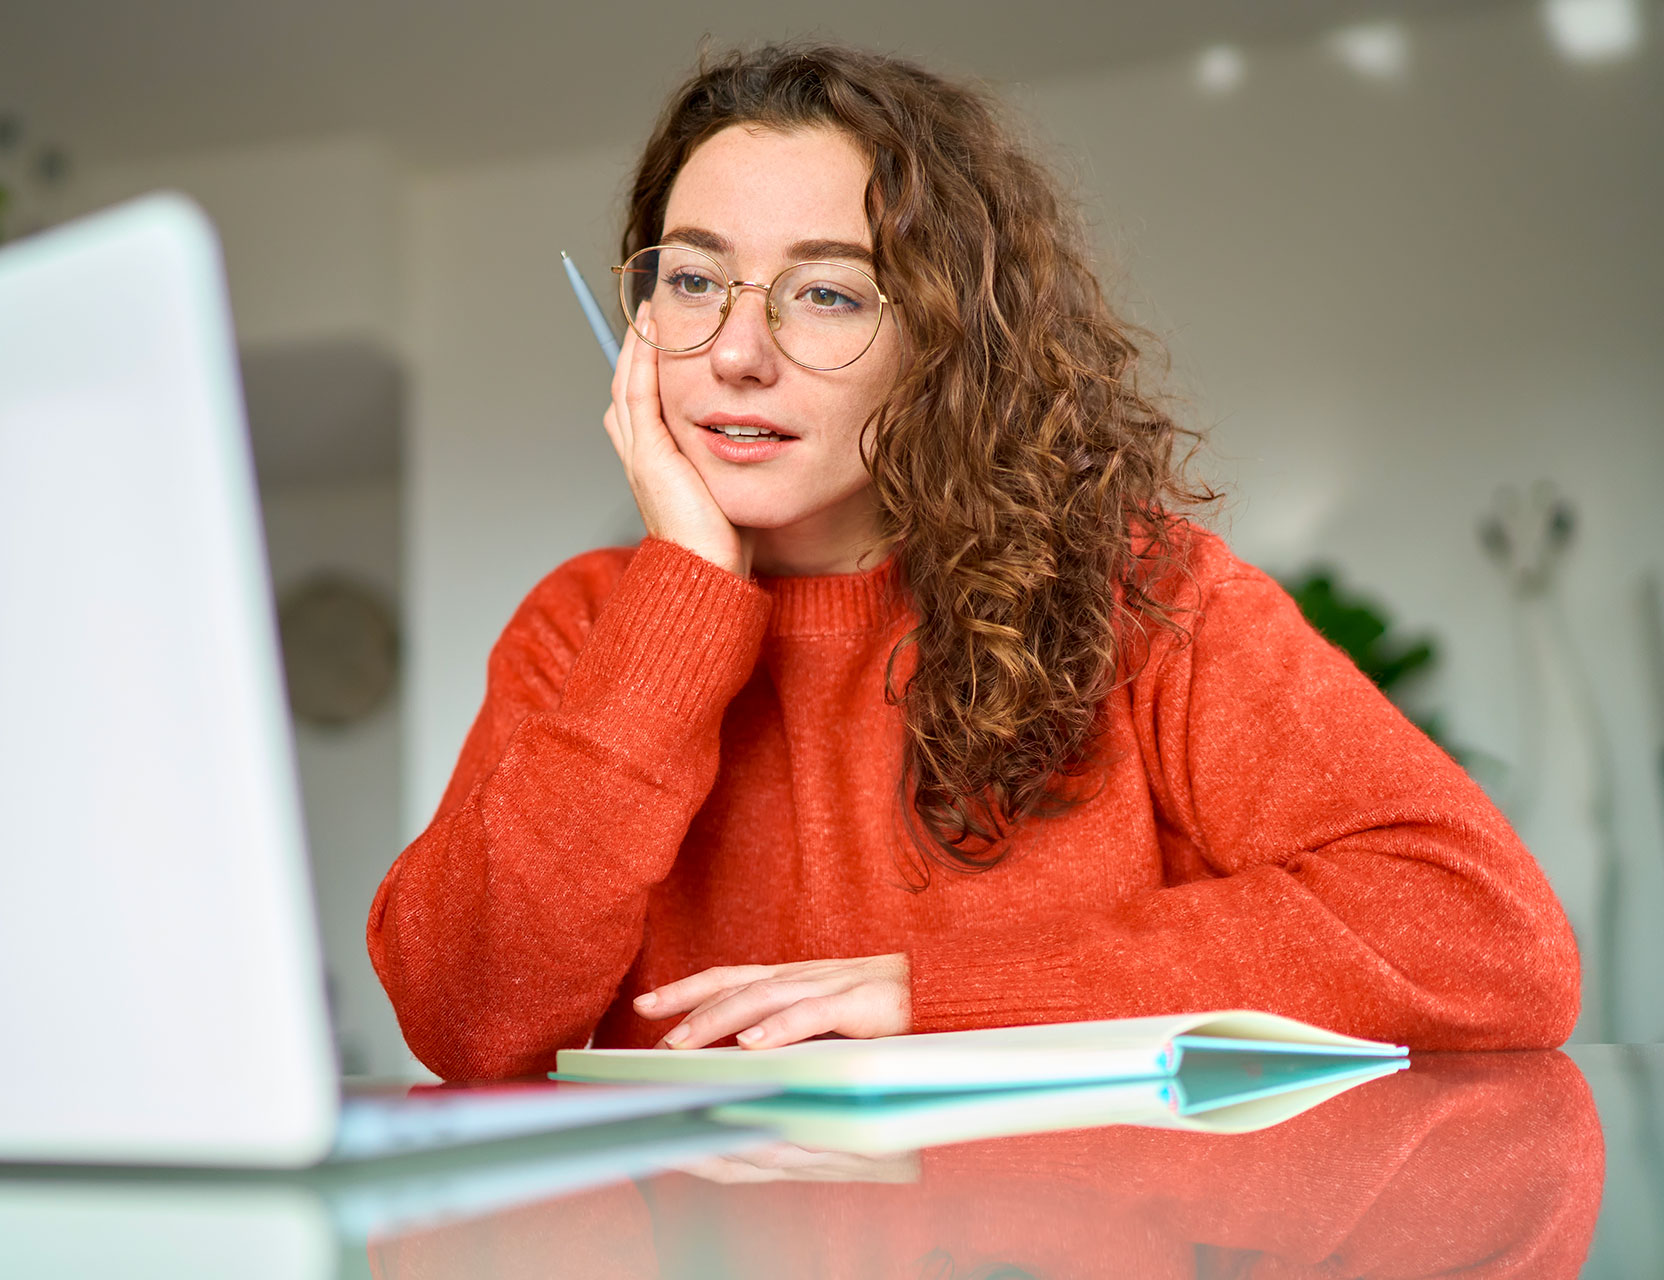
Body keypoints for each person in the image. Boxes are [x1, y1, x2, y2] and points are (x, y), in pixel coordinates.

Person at [367, 43, 1579, 1082]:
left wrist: (939, 995)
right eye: (693, 280)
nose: (737, 349)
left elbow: (1486, 936)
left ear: (945, 343)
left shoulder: (1142, 593)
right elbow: (468, 1018)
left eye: (827, 294)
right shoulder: (587, 625)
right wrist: (686, 584)